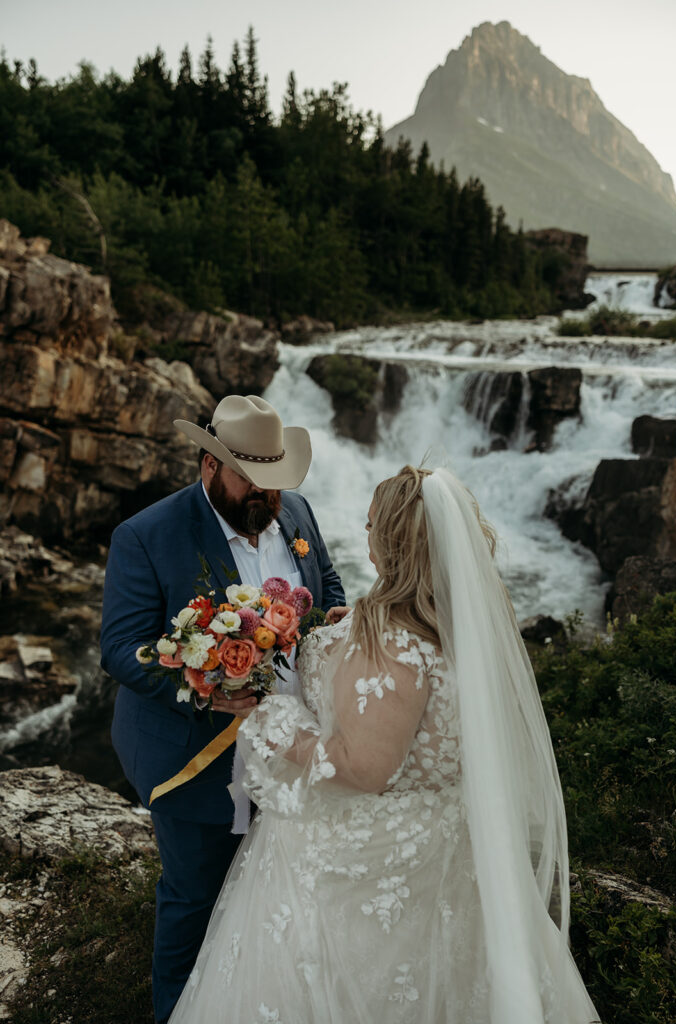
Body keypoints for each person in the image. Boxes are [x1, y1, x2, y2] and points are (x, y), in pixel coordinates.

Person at [169, 464, 601, 1024]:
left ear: (393, 541)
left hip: (358, 865)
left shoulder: (391, 642)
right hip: (443, 844)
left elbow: (362, 767)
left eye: (371, 525)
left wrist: (272, 715)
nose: (364, 535)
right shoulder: (463, 617)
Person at [100, 395, 346, 1024]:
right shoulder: (146, 535)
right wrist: (203, 686)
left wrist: (334, 619)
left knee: (275, 896)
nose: (268, 493)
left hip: (294, 749)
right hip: (197, 755)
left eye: (274, 478)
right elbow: (122, 649)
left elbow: (329, 585)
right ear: (209, 463)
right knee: (193, 898)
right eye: (251, 477)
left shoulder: (298, 513)